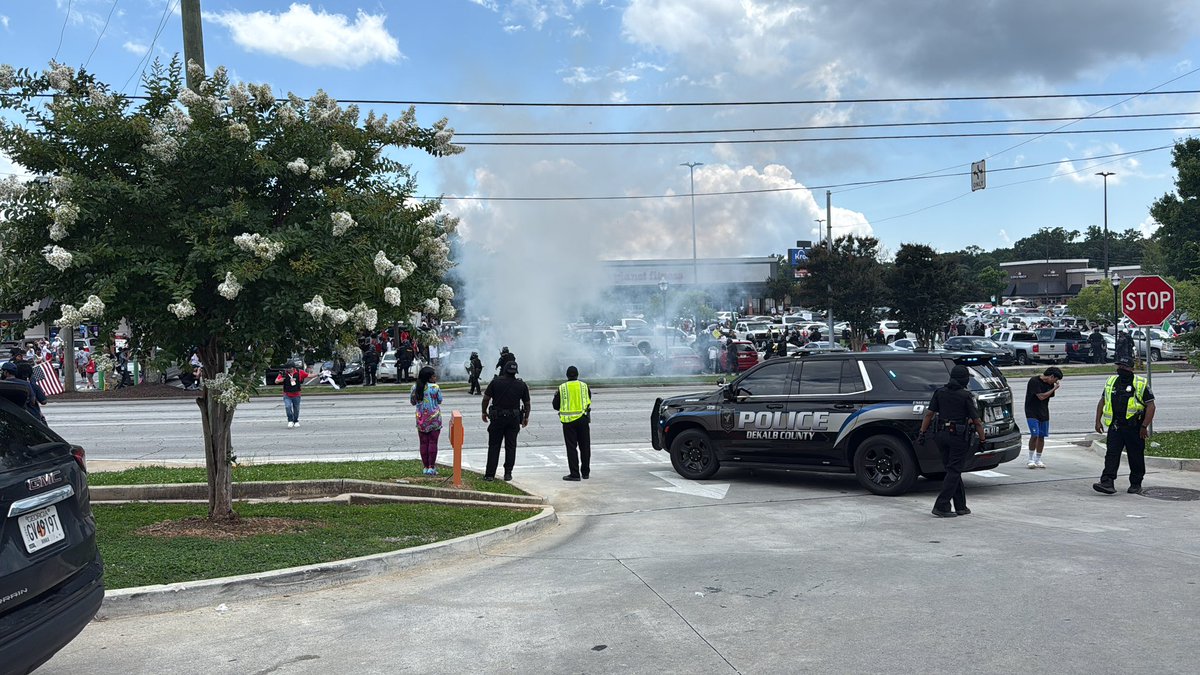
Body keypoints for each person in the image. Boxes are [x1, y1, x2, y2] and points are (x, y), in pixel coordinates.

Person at [917, 365, 986, 518]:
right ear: (965, 379)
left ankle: (961, 506)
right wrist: (982, 439)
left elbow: (929, 415)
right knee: (954, 470)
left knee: (952, 470)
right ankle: (941, 505)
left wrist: (922, 433)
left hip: (940, 435)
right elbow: (977, 421)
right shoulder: (965, 396)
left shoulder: (939, 392)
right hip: (958, 437)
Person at [1093, 357, 1156, 495]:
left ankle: (1136, 483)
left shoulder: (1140, 383)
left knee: (1135, 456)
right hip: (1116, 426)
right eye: (1119, 366)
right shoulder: (1111, 381)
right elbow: (1102, 401)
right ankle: (1107, 482)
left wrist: (1144, 426)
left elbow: (1151, 406)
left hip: (1134, 427)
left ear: (1131, 369)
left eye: (1124, 366)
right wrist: (1098, 421)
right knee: (1111, 454)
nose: (1121, 369)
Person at [481, 360, 530, 482]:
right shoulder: (521, 385)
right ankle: (508, 473)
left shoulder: (495, 382)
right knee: (511, 446)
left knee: (494, 446)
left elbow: (486, 399)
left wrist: (484, 411)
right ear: (515, 372)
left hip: (497, 418)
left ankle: (490, 474)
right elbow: (527, 404)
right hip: (513, 419)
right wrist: (526, 417)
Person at [553, 365, 592, 481]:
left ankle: (574, 474)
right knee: (585, 447)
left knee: (571, 448)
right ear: (577, 375)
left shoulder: (562, 388)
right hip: (583, 419)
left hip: (568, 422)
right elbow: (589, 400)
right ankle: (585, 473)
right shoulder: (584, 386)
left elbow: (555, 405)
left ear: (567, 375)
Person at [1024, 367, 1063, 468]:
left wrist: (1052, 387)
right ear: (1051, 376)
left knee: (1042, 436)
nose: (1056, 382)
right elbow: (1041, 396)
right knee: (1035, 434)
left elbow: (1049, 396)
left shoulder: (1050, 384)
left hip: (1044, 412)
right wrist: (1054, 388)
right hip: (1032, 411)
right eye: (1056, 379)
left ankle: (1038, 459)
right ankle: (1030, 459)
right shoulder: (1034, 381)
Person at [409, 366, 443, 475]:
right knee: (433, 442)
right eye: (433, 375)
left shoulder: (415, 387)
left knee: (423, 443)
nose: (435, 377)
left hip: (421, 419)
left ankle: (425, 466)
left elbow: (413, 402)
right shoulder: (435, 387)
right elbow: (440, 400)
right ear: (429, 377)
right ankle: (431, 467)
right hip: (434, 418)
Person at [274, 363, 309, 428]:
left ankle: (296, 421)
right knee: (288, 407)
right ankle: (290, 420)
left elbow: (308, 375)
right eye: (287, 368)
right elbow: (276, 381)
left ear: (293, 368)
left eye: (289, 368)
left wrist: (318, 375)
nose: (288, 369)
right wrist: (279, 380)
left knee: (296, 409)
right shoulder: (283, 373)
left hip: (296, 394)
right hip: (287, 394)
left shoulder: (299, 372)